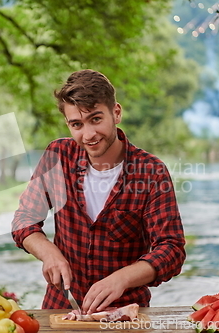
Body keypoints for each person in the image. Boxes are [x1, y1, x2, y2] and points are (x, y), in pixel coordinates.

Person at [11, 69, 186, 314]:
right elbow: (24, 219)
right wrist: (49, 253)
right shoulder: (58, 156)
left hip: (123, 314)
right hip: (61, 309)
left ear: (116, 113)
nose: (88, 134)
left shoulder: (151, 172)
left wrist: (121, 279)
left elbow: (171, 249)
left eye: (96, 119)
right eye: (77, 124)